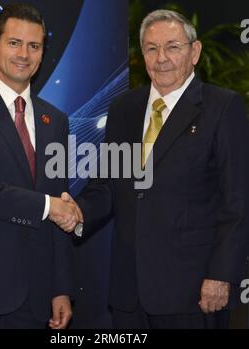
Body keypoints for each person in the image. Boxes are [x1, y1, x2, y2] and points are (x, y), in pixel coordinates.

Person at [54, 10, 249, 329]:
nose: (161, 58)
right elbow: (107, 185)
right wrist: (79, 211)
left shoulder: (222, 107)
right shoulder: (123, 109)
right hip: (129, 292)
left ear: (194, 51)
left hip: (193, 290)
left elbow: (238, 203)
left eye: (172, 47)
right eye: (151, 48)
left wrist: (220, 275)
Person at [0, 3, 81, 329]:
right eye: (14, 43)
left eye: (34, 46)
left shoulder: (56, 122)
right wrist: (47, 206)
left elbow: (59, 202)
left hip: (35, 297)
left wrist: (61, 289)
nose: (24, 53)